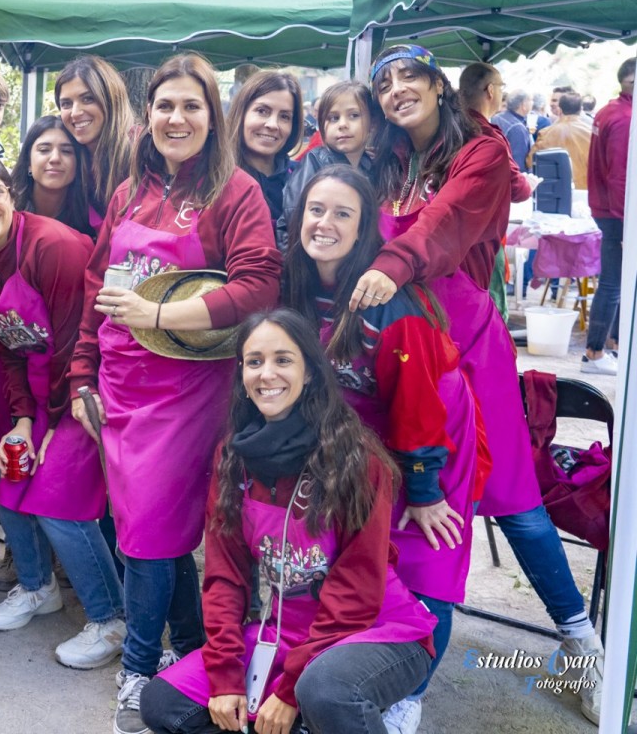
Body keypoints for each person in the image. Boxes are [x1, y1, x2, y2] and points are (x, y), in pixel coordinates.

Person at [355, 44, 605, 725]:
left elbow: (446, 224)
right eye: (384, 83)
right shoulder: (389, 160)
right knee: (414, 497)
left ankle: (582, 642)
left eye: (409, 77)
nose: (396, 89)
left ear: (440, 87)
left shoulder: (484, 153)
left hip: (466, 342)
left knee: (512, 499)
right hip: (400, 344)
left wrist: (394, 261)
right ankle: (400, 667)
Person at [67, 53, 281, 734]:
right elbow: (98, 288)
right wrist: (80, 371)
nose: (176, 117)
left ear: (212, 117)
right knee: (149, 531)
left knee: (150, 539)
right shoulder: (131, 190)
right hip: (118, 385)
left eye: (191, 105)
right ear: (148, 115)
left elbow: (257, 288)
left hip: (188, 391)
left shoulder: (236, 190)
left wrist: (159, 316)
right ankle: (191, 648)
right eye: (165, 105)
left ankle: (136, 668)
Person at [140, 308, 435, 734]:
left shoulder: (357, 458)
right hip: (282, 630)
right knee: (162, 702)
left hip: (375, 629)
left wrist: (289, 689)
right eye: (254, 361)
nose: (267, 374)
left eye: (283, 360)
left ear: (310, 371)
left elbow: (357, 586)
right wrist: (224, 677)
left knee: (326, 693)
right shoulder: (233, 455)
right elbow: (225, 576)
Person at [283, 165, 486, 733]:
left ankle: (407, 695)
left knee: (426, 561)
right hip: (365, 439)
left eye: (342, 214)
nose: (324, 223)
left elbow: (420, 409)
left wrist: (423, 490)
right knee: (362, 559)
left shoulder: (392, 306)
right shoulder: (297, 285)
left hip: (430, 437)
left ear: (364, 228)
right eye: (316, 210)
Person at [0, 154, 126, 669]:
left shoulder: (53, 247)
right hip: (38, 389)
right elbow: (7, 346)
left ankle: (110, 619)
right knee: (11, 479)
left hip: (86, 385)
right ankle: (37, 587)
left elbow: (82, 337)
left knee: (57, 499)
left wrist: (60, 419)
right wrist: (24, 422)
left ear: (12, 195)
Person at [456, 62, 533, 319]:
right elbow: (517, 188)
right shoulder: (486, 135)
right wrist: (528, 183)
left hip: (445, 238)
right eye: (501, 87)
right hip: (481, 240)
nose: (502, 93)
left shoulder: (446, 128)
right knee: (488, 315)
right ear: (490, 90)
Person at [278, 81, 376, 247]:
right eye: (333, 118)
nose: (343, 125)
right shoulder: (315, 161)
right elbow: (293, 217)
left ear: (373, 123)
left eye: (354, 115)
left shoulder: (372, 166)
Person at [583, 57, 633, 376]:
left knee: (617, 282)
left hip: (608, 209)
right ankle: (595, 352)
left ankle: (613, 344)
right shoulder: (626, 118)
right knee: (614, 283)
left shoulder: (610, 111)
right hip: (617, 214)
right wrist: (628, 222)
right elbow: (620, 176)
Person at [225, 70, 302, 248]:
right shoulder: (217, 179)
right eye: (262, 111)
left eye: (284, 116)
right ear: (241, 113)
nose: (272, 125)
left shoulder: (303, 177)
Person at [55, 55, 137, 219]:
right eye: (66, 104)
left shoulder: (144, 150)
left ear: (112, 100)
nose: (75, 112)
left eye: (88, 99)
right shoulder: (69, 155)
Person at [10, 115, 103, 238]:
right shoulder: (8, 211)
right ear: (28, 163)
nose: (55, 159)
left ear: (79, 163)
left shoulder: (94, 221)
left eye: (66, 151)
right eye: (44, 150)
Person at [529, 92, 592, 189]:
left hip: (554, 190)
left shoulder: (545, 133)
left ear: (560, 109)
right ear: (580, 110)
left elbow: (530, 161)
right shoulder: (590, 134)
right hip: (585, 189)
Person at [490, 89, 533, 170]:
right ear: (523, 105)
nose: (532, 103)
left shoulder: (497, 117)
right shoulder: (517, 128)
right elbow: (519, 165)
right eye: (531, 100)